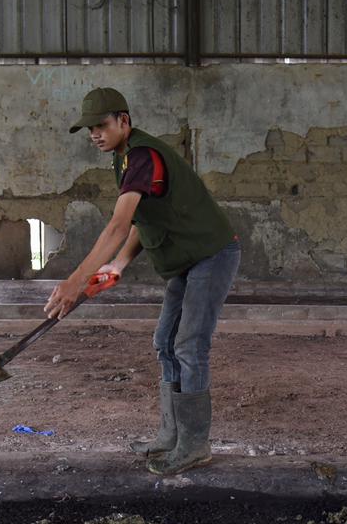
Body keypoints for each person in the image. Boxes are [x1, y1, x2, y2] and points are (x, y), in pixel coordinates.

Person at [44, 87, 240, 475]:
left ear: (124, 121)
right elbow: (142, 220)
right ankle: (171, 437)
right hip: (186, 258)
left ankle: (195, 445)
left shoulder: (144, 155)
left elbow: (117, 225)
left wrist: (75, 281)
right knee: (164, 341)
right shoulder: (125, 159)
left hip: (212, 254)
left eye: (101, 125)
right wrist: (117, 265)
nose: (94, 134)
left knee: (189, 345)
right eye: (89, 129)